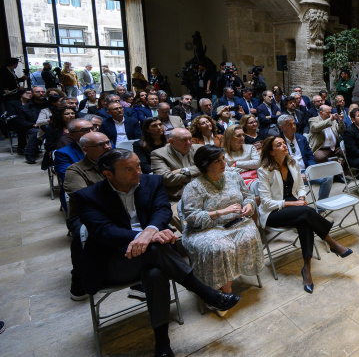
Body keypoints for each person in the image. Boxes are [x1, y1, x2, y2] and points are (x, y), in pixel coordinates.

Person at [76, 149, 241, 356]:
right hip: (116, 261)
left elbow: (162, 210)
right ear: (108, 174)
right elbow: (103, 230)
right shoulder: (88, 196)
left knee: (155, 272)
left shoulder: (151, 182)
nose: (138, 172)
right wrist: (144, 236)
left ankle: (162, 344)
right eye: (129, 169)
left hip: (156, 257)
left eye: (138, 165)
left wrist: (150, 231)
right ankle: (206, 292)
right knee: (155, 249)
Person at [258, 136, 353, 293]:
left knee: (305, 221)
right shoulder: (264, 171)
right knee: (307, 212)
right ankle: (331, 242)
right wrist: (294, 203)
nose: (284, 146)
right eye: (278, 145)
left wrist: (301, 197)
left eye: (283, 143)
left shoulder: (292, 162)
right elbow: (266, 202)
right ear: (271, 152)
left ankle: (307, 270)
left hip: (296, 209)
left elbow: (301, 187)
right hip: (274, 212)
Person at [178, 145, 262, 316]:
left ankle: (226, 286)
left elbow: (248, 196)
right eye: (217, 161)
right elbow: (192, 219)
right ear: (205, 164)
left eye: (223, 158)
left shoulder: (233, 175)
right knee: (220, 247)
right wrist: (220, 212)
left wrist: (248, 205)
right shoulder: (194, 187)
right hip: (205, 229)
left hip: (235, 222)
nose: (223, 163)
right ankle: (223, 294)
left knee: (249, 235)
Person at [64, 131, 112, 300]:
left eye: (108, 142)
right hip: (85, 214)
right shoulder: (75, 170)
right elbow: (83, 197)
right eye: (100, 145)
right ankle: (79, 279)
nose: (107, 147)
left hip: (119, 208)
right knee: (81, 235)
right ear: (85, 149)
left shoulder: (120, 161)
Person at [277, 115, 332, 201]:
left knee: (328, 177)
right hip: (290, 175)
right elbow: (280, 162)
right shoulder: (277, 142)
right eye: (289, 125)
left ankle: (321, 206)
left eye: (294, 124)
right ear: (282, 127)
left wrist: (310, 170)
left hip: (306, 171)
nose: (293, 126)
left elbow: (310, 156)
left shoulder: (301, 138)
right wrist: (297, 174)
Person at [53, 119, 93, 211]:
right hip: (81, 191)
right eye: (85, 130)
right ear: (72, 135)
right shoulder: (63, 153)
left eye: (92, 128)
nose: (91, 132)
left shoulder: (107, 146)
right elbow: (69, 178)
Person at [151, 128, 201, 202]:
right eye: (183, 140)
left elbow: (209, 168)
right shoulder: (158, 154)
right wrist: (197, 176)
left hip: (203, 192)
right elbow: (165, 178)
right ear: (171, 141)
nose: (188, 143)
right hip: (177, 197)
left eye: (190, 139)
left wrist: (183, 170)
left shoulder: (199, 148)